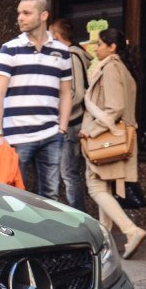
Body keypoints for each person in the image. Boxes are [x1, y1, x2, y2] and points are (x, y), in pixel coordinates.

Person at [0, 0, 72, 199]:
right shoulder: (9, 49)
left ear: (43, 15)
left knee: (51, 195)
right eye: (19, 12)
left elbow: (65, 93)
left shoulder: (62, 51)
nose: (20, 18)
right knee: (14, 196)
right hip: (16, 137)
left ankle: (47, 233)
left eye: (26, 13)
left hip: (51, 135)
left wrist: (62, 129)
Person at [80, 28, 146, 259]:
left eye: (99, 44)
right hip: (120, 138)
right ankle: (105, 243)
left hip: (106, 140)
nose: (95, 48)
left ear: (112, 47)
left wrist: (91, 131)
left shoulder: (110, 68)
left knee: (96, 187)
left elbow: (115, 107)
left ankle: (131, 231)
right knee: (104, 188)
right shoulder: (124, 69)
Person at [50, 18, 91, 212]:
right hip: (72, 122)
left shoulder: (72, 56)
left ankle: (78, 216)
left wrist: (58, 114)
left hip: (72, 123)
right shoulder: (76, 54)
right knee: (68, 172)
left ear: (57, 37)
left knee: (68, 173)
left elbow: (76, 93)